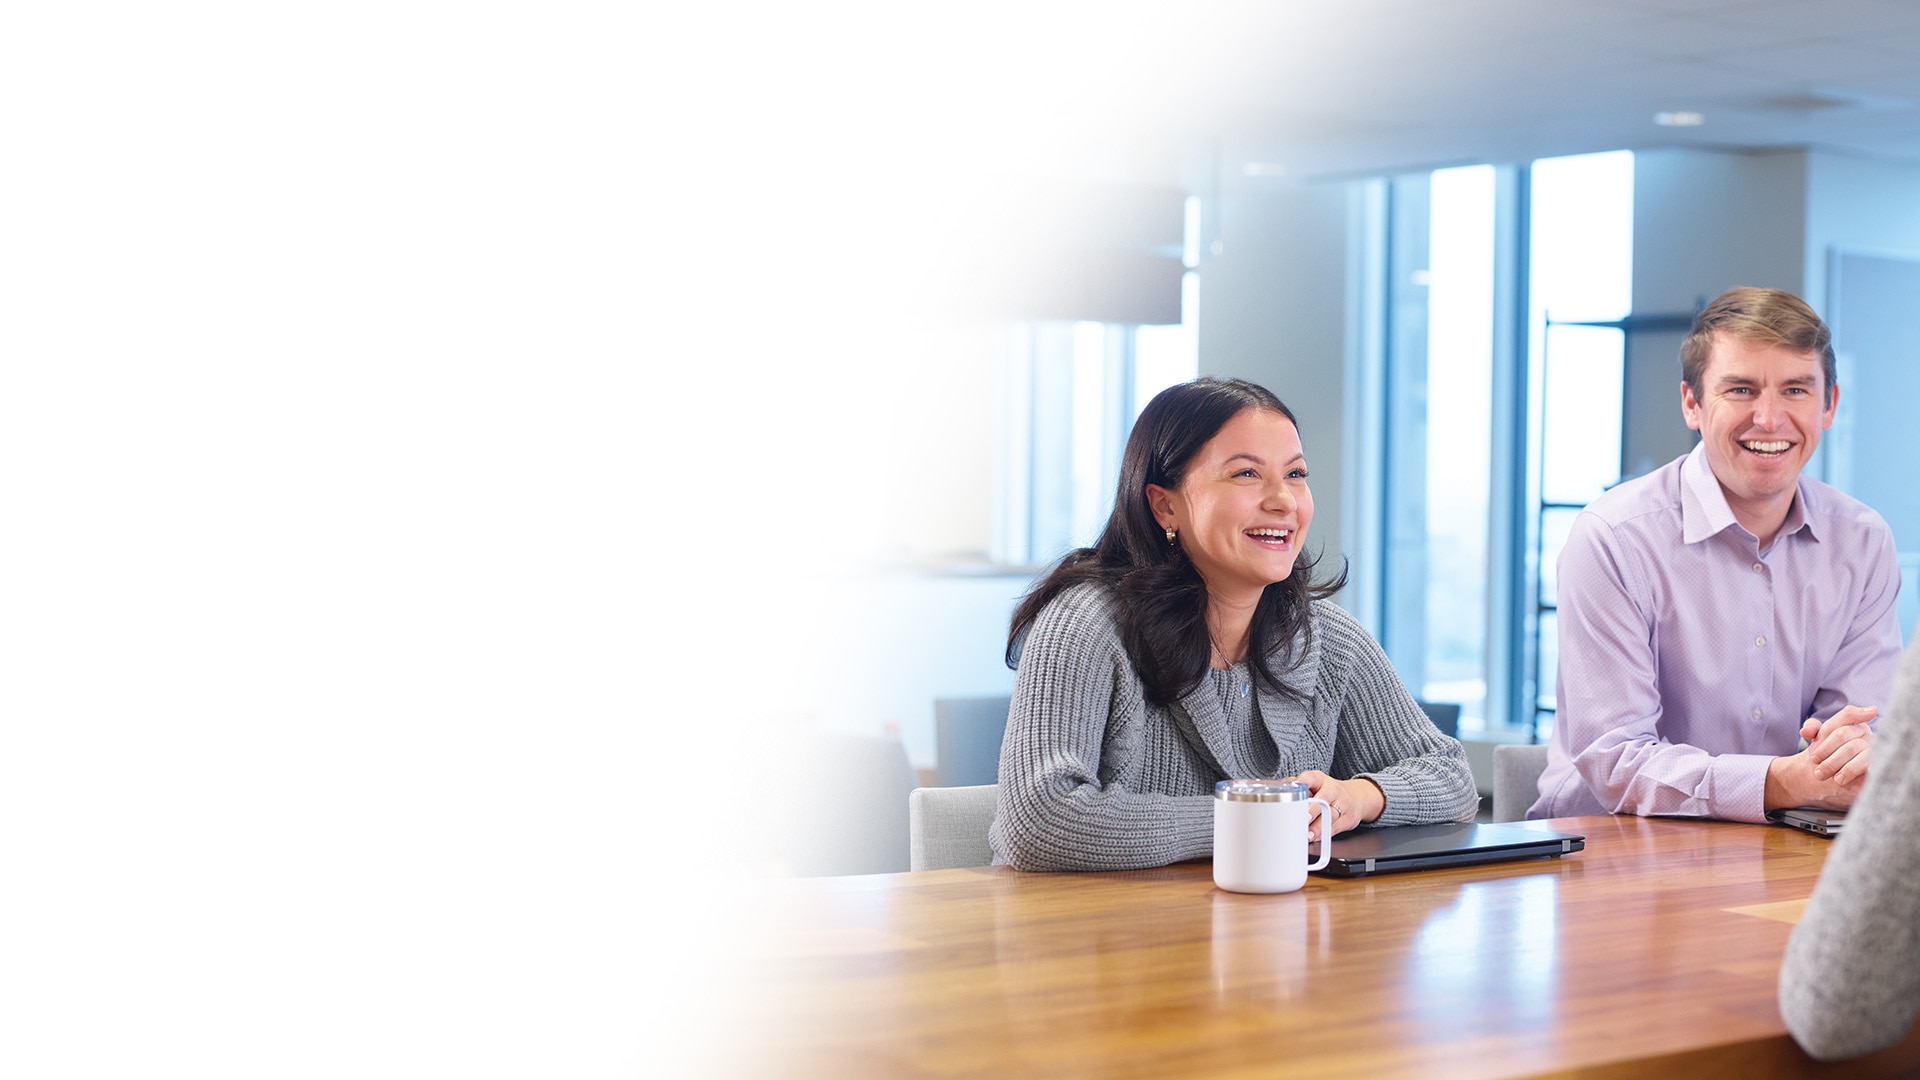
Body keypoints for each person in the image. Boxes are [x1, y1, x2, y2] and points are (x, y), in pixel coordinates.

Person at [989, 376, 1478, 872]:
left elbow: (1452, 779)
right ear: (1165, 505)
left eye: (1296, 474)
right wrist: (1256, 817)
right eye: (1246, 474)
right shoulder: (1085, 624)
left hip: (1269, 936)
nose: (1283, 500)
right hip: (1105, 939)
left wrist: (1359, 797)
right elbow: (1036, 820)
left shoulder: (1329, 639)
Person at [1529, 286, 1904, 822]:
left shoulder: (1862, 542)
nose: (1770, 419)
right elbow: (1616, 763)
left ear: (1829, 406)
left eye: (1796, 389)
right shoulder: (1613, 538)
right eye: (1742, 389)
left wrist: (1851, 758)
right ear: (1692, 404)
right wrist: (1780, 781)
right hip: (1609, 849)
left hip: (1781, 848)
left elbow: (1862, 734)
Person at [1779, 627, 1920, 1061]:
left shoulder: (1864, 557)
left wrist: (1865, 763)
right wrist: (1789, 779)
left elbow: (1832, 1008)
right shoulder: (1611, 557)